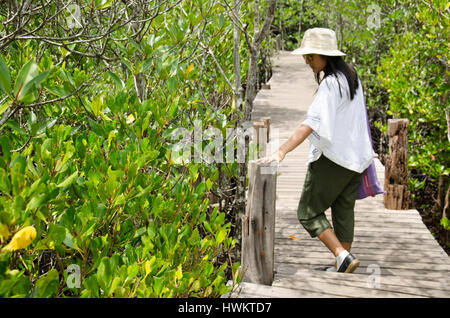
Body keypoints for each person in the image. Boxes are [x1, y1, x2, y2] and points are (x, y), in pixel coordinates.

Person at [257, 28, 374, 273]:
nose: (306, 61)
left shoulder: (330, 84)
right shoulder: (351, 76)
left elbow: (311, 123)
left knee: (307, 212)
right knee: (343, 211)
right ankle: (343, 264)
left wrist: (282, 151)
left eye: (311, 56)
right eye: (306, 56)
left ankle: (342, 255)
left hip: (334, 159)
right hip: (358, 159)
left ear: (326, 56)